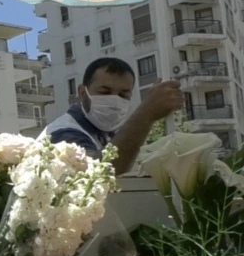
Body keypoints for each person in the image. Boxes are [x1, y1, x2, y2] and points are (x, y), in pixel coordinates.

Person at [43, 58, 184, 175]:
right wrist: (147, 113)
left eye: (123, 95)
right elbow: (101, 171)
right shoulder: (63, 134)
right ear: (82, 92)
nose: (115, 101)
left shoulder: (104, 134)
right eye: (105, 92)